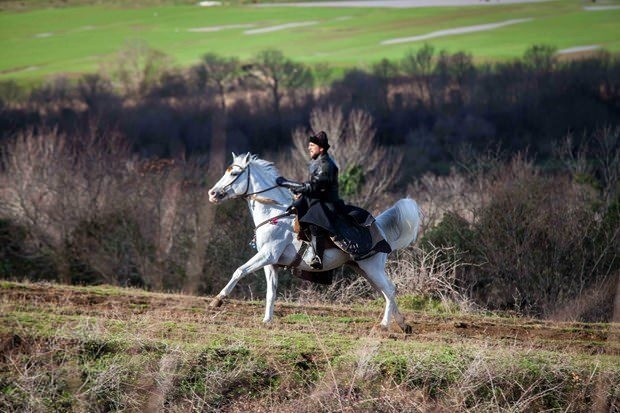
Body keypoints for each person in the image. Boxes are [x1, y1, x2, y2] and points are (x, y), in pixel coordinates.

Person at [277, 131, 340, 269]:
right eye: (309, 145)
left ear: (321, 148)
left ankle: (318, 257)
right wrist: (299, 193)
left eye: (312, 145)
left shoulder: (327, 165)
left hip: (328, 205)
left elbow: (314, 186)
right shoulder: (317, 163)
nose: (309, 147)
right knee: (294, 210)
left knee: (313, 217)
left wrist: (288, 183)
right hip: (318, 200)